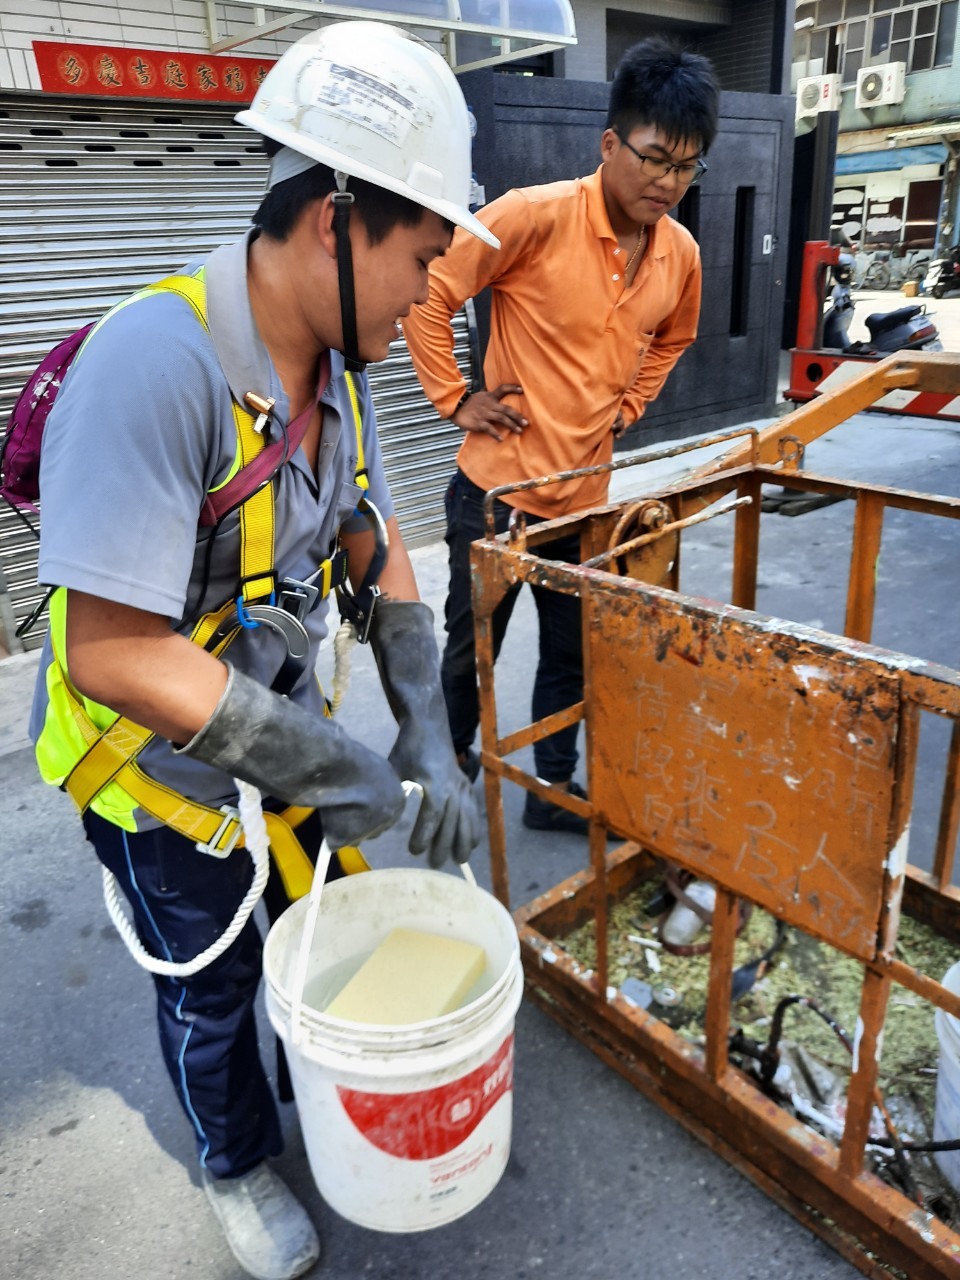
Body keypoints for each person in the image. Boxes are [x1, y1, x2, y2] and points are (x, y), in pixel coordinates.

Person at [28, 22, 497, 1280]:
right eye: (422, 256)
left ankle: (308, 1084)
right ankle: (235, 1161)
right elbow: (108, 649)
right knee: (215, 987)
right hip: (154, 773)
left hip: (271, 740)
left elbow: (376, 543)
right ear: (335, 220)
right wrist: (328, 758)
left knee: (307, 932)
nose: (428, 294)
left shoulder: (337, 374)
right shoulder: (154, 364)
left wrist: (425, 734)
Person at [402, 37, 719, 835]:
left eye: (686, 167)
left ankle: (551, 788)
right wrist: (456, 397)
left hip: (584, 507)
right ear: (611, 143)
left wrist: (631, 406)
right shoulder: (533, 216)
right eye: (653, 158)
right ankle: (451, 769)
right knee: (468, 649)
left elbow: (675, 338)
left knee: (571, 655)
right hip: (496, 498)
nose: (666, 182)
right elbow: (427, 290)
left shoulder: (680, 253)